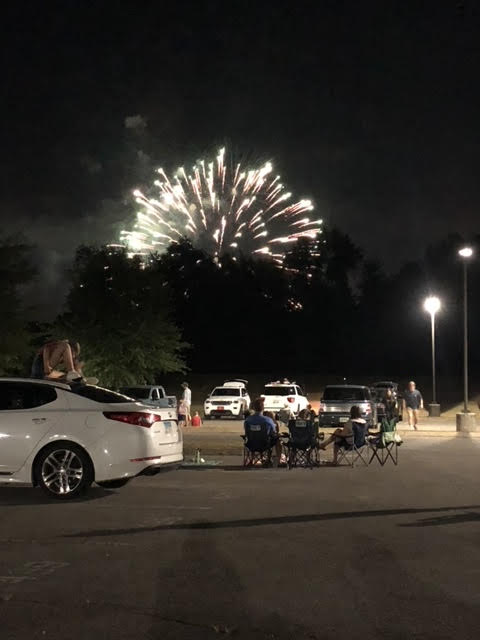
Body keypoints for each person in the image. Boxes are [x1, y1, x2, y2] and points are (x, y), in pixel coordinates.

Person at [245, 398, 284, 465]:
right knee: (278, 440)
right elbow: (274, 432)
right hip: (265, 444)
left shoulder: (248, 420)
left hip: (251, 444)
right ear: (263, 408)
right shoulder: (267, 420)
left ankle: (252, 459)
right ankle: (278, 461)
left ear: (253, 408)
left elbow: (247, 432)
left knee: (255, 437)